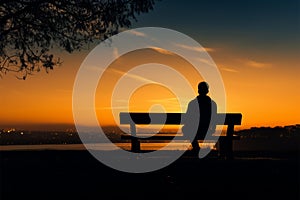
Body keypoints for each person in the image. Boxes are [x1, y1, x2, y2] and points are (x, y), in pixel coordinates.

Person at [182, 81, 217, 155]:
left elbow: (187, 118)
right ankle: (197, 149)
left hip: (194, 130)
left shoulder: (192, 103)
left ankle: (196, 148)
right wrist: (213, 129)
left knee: (185, 129)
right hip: (207, 131)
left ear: (198, 90)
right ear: (207, 91)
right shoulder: (213, 104)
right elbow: (214, 120)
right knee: (188, 130)